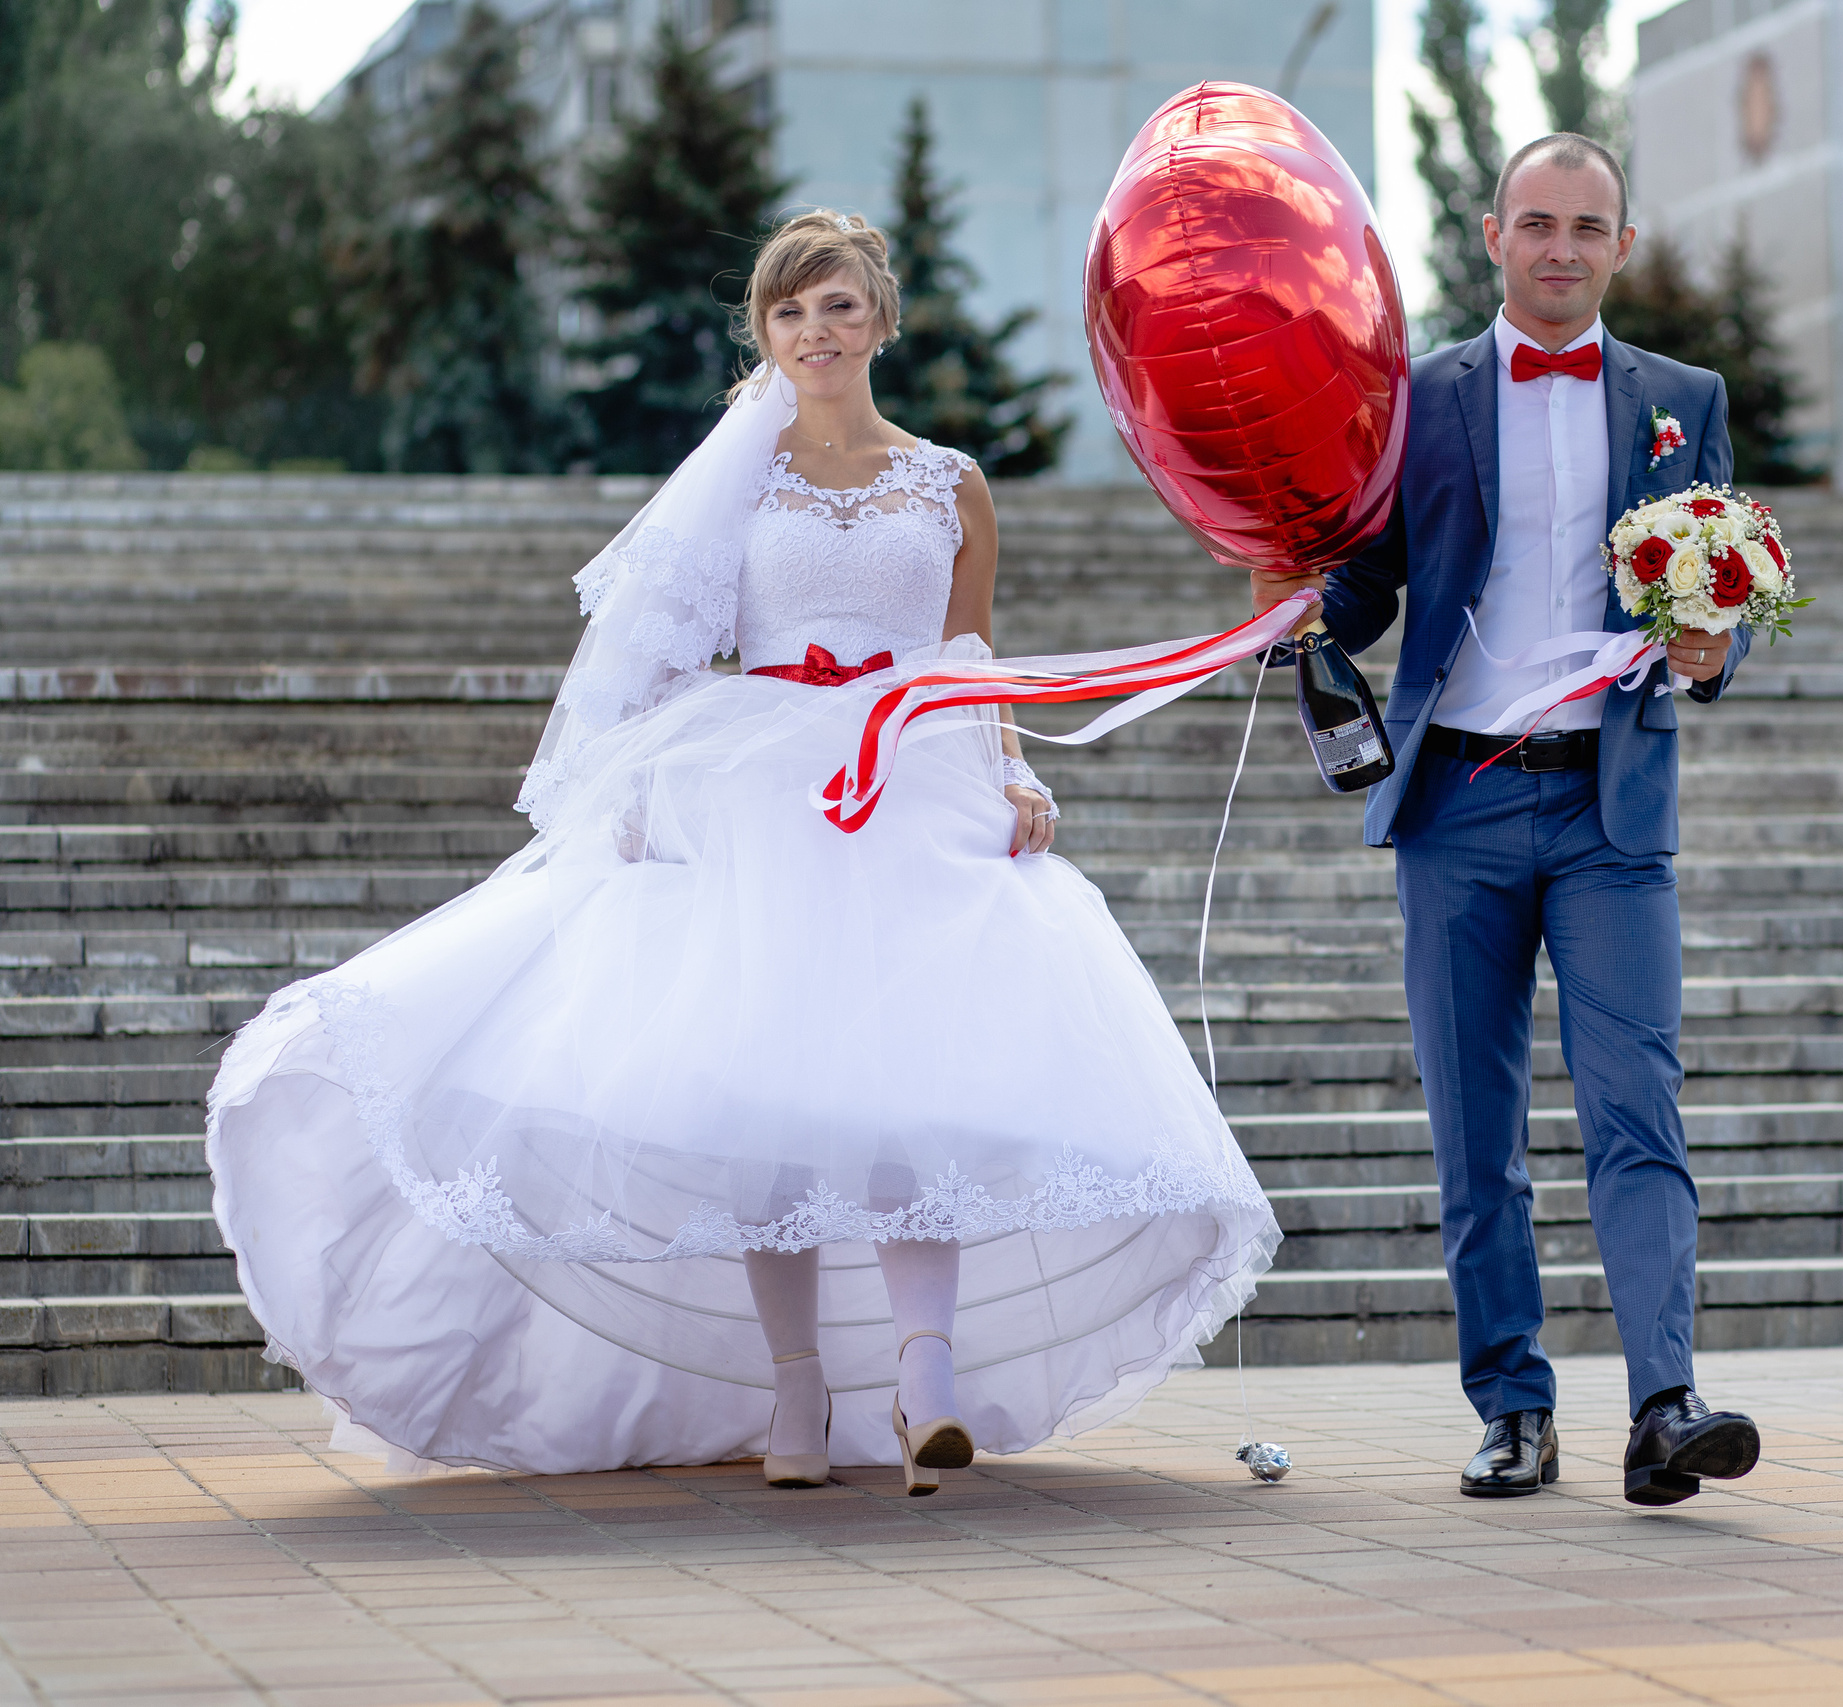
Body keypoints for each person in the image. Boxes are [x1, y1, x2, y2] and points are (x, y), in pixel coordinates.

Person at [208, 210, 1278, 1490]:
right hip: (764, 799)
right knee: (771, 1107)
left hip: (912, 791)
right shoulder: (738, 478)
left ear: (880, 320)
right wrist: (643, 784)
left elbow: (969, 656)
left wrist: (1013, 770)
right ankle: (795, 1392)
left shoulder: (950, 482)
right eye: (789, 311)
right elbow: (662, 648)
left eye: (837, 306)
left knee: (914, 1093)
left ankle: (927, 1385)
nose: (814, 331)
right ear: (764, 332)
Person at [1254, 135, 1762, 1505]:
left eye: (1587, 227)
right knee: (1475, 1134)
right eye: (1536, 222)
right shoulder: (1417, 398)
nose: (1560, 248)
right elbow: (1367, 584)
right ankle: (1513, 1408)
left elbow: (1714, 582)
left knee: (1636, 1109)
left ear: (1622, 246)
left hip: (1611, 811)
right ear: (1492, 235)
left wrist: (1716, 647)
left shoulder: (1683, 400)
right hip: (1458, 803)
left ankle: (1665, 1404)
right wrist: (1294, 600)